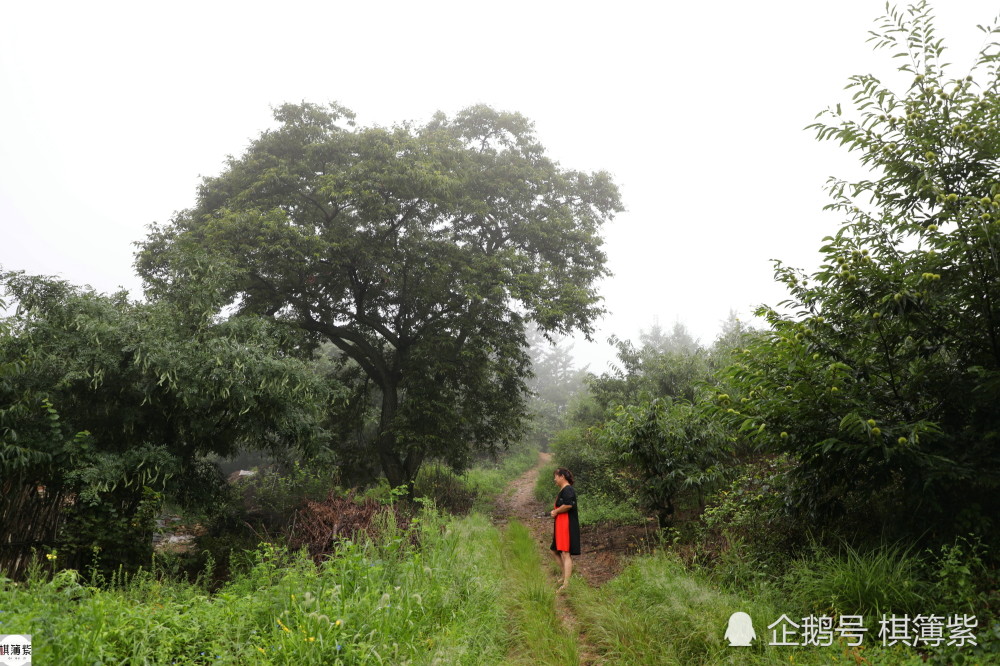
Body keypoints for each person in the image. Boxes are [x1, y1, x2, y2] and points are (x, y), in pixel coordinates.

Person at [549, 467, 580, 591]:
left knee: (565, 553)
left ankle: (566, 583)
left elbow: (568, 505)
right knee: (554, 550)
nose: (554, 479)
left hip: (566, 524)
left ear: (562, 476)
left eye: (556, 476)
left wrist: (556, 511)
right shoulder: (563, 489)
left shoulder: (568, 489)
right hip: (560, 524)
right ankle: (564, 576)